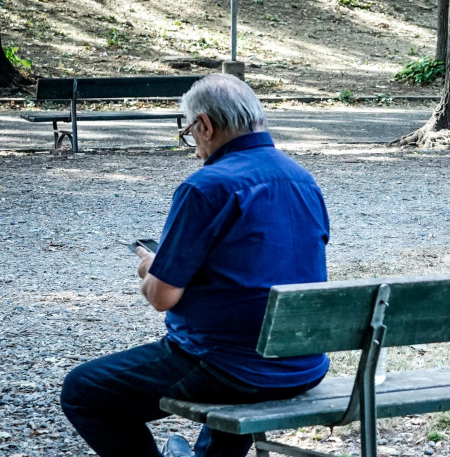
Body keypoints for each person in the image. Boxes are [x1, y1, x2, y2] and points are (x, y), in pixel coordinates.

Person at [60, 74, 331, 457]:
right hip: (302, 366)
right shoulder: (303, 180)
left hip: (228, 368)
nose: (195, 149)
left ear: (205, 125)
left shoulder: (206, 187)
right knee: (239, 353)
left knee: (83, 390)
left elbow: (162, 297)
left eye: (188, 132)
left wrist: (150, 268)